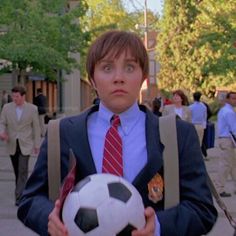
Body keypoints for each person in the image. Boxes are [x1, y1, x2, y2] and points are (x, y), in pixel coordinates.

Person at [17, 30, 217, 236]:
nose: (119, 78)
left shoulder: (177, 134)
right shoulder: (62, 133)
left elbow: (202, 210)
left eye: (130, 68)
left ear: (143, 78)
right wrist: (50, 219)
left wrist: (157, 226)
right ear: (92, 79)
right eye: (107, 68)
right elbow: (30, 200)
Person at [0, 85, 41, 206]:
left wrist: (37, 145)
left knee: (23, 170)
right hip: (12, 143)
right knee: (17, 171)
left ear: (23, 96)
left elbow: (36, 128)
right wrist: (2, 132)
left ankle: (19, 197)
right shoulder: (7, 108)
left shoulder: (32, 109)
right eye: (13, 96)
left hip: (26, 144)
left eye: (17, 96)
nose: (14, 99)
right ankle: (21, 189)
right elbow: (2, 122)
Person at [216, 91, 236, 198]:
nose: (234, 100)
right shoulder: (229, 112)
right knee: (225, 165)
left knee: (232, 165)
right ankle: (219, 188)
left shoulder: (224, 110)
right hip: (227, 139)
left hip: (225, 139)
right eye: (233, 98)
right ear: (228, 99)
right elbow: (234, 128)